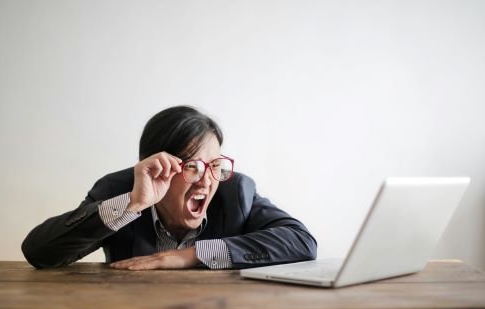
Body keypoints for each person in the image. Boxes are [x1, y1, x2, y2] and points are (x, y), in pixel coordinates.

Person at [22, 106, 317, 270]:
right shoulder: (118, 189)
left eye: (215, 165)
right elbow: (39, 252)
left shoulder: (236, 191)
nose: (206, 180)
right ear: (155, 166)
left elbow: (302, 242)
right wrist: (132, 206)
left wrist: (190, 255)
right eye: (192, 166)